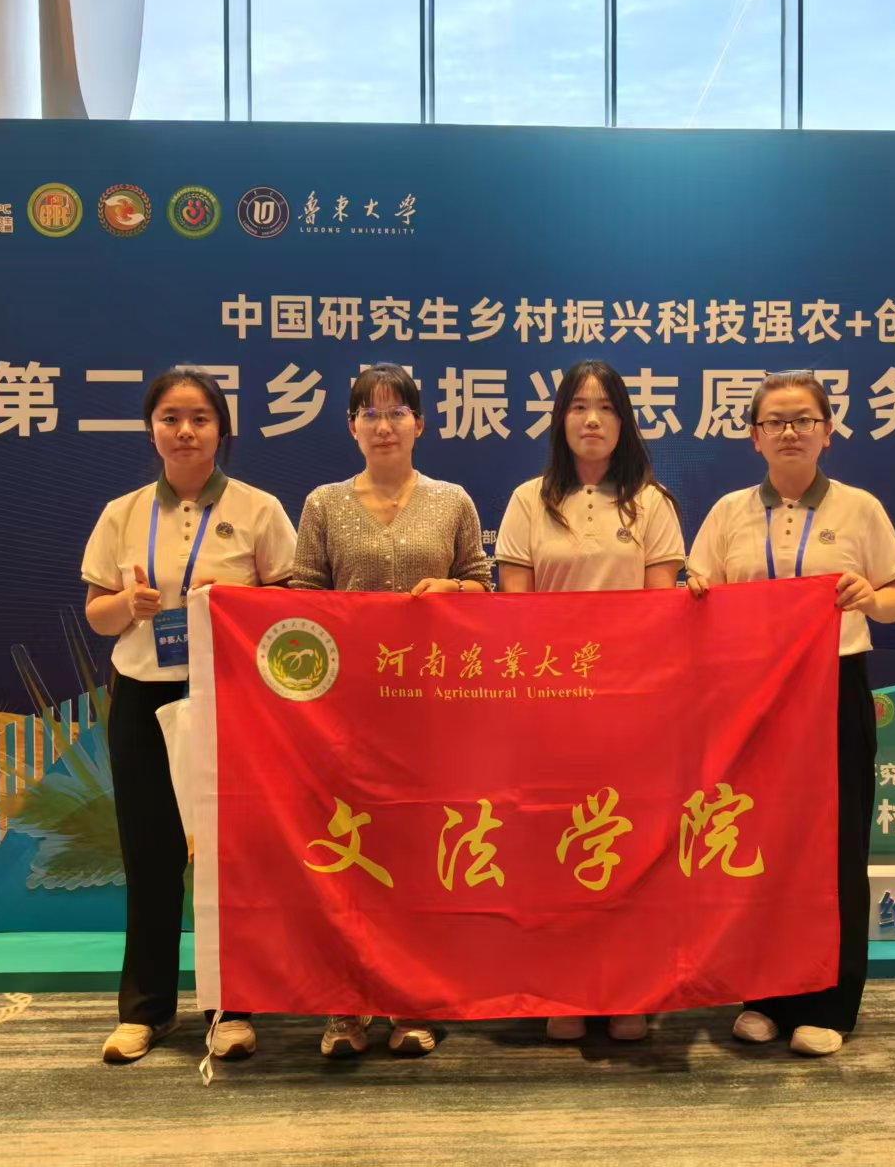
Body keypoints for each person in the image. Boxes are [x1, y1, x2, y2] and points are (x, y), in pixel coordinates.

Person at [686, 370, 895, 1057]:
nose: (790, 432)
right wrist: (696, 589)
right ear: (753, 437)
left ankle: (831, 1003)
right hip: (753, 696)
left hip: (834, 685)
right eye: (775, 421)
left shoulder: (859, 508)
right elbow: (698, 590)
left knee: (837, 844)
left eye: (803, 419)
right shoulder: (728, 513)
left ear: (827, 432)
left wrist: (870, 597)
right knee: (757, 841)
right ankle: (764, 996)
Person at [82, 368, 297, 1064]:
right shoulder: (121, 513)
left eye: (200, 418)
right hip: (142, 693)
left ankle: (233, 1007)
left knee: (230, 854)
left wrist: (235, 598)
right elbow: (97, 614)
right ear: (151, 429)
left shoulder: (259, 508)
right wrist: (128, 606)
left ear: (221, 430)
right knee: (150, 853)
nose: (185, 431)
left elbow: (291, 606)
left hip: (229, 697)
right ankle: (144, 1011)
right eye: (171, 418)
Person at [290, 363, 492, 1058]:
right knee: (348, 860)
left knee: (417, 855)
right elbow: (302, 599)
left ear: (420, 424)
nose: (383, 425)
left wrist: (453, 592)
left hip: (432, 710)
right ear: (351, 427)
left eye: (396, 412)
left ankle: (413, 1001)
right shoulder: (322, 504)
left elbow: (484, 588)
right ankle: (346, 1007)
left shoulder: (453, 501)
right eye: (369, 413)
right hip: (344, 713)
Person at [495, 359, 685, 1042]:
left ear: (624, 421)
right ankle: (565, 988)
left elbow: (662, 610)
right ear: (560, 420)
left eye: (606, 407)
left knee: (630, 844)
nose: (593, 419)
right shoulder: (528, 501)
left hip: (631, 705)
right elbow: (514, 609)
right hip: (553, 704)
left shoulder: (652, 503)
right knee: (555, 843)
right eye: (578, 406)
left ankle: (629, 990)